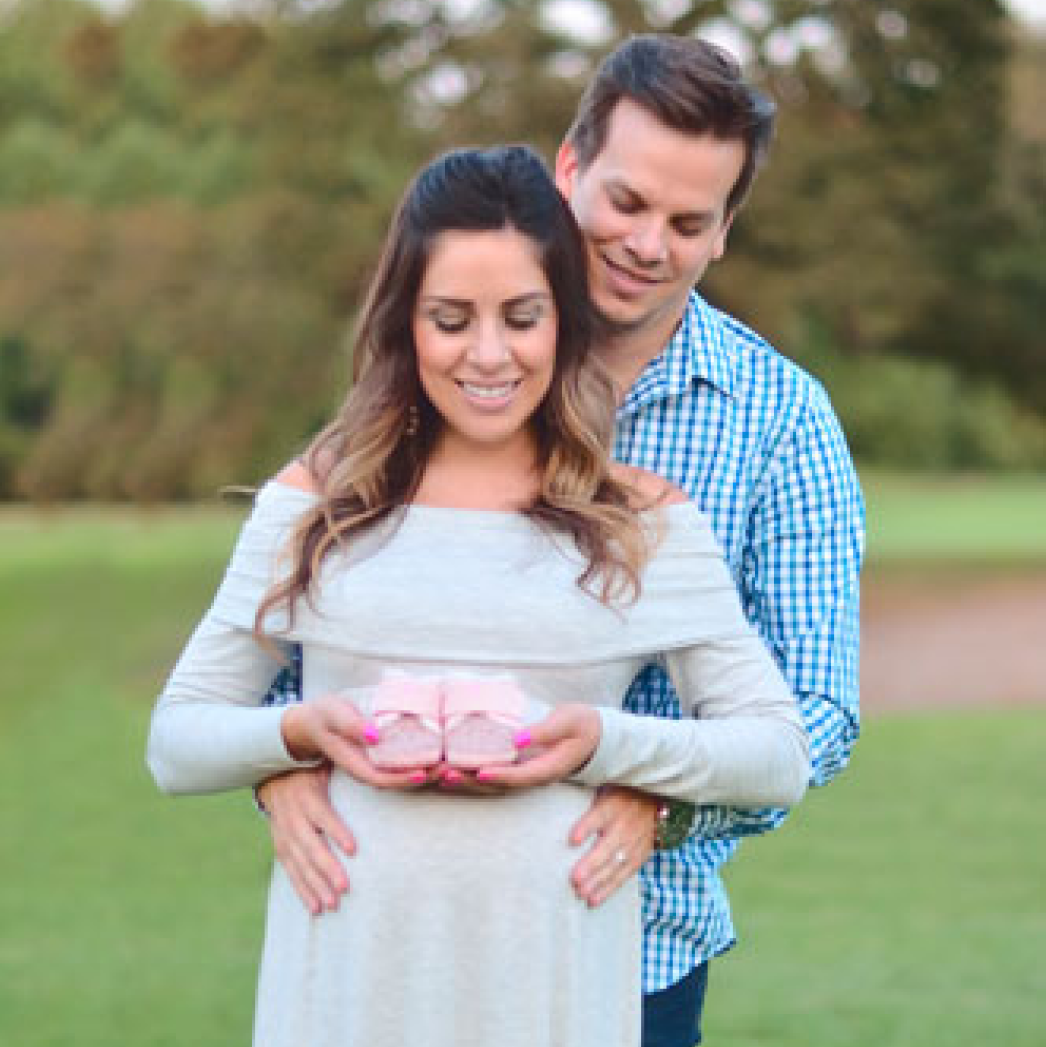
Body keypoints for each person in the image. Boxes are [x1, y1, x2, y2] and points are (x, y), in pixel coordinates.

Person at [257, 34, 865, 1047]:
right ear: (569, 170)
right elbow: (293, 651)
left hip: (631, 945)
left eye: (686, 221)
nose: (646, 244)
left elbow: (818, 710)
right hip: (389, 934)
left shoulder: (781, 420)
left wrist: (660, 795)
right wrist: (279, 767)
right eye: (625, 203)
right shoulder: (443, 372)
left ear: (723, 233)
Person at [147, 144, 811, 1047]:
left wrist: (615, 750)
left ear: (565, 323)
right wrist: (293, 738)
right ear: (405, 325)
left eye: (522, 316)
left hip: (554, 996)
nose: (489, 354)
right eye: (451, 318)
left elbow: (776, 752)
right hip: (344, 997)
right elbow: (176, 739)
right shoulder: (314, 507)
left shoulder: (643, 524)